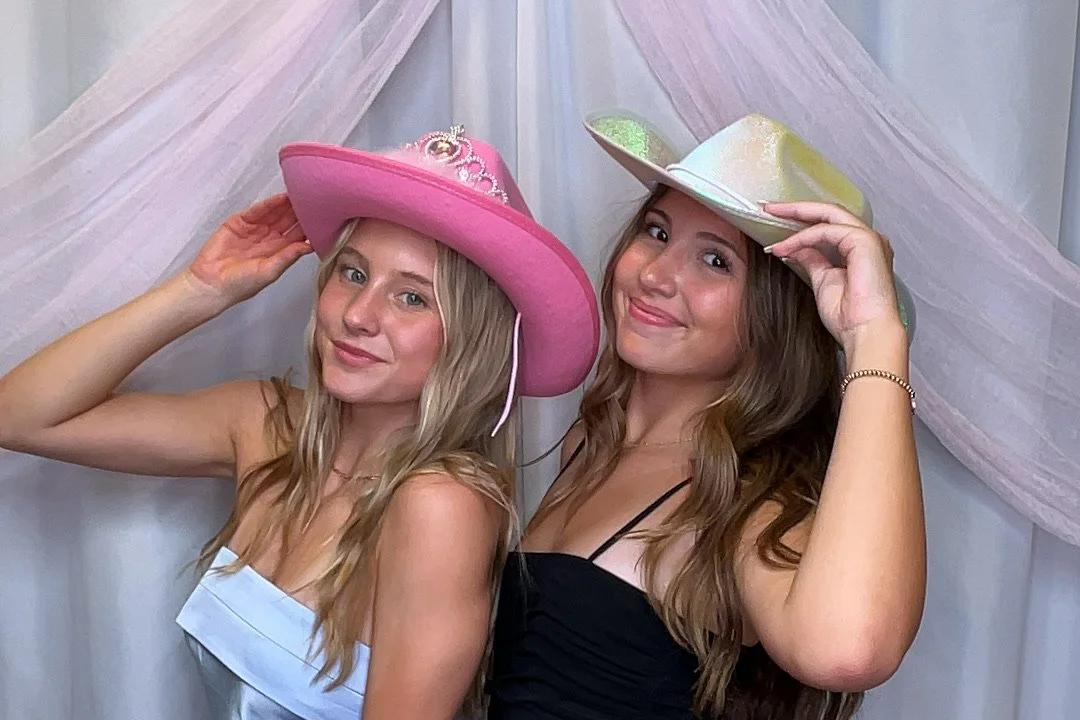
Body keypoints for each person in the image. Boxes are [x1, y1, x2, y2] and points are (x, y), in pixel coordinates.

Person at [0, 125, 599, 720]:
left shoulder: (438, 505)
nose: (360, 316)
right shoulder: (266, 425)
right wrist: (198, 290)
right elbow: (21, 416)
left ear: (471, 340)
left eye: (412, 297)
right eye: (354, 274)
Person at [487, 111, 925, 719]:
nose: (655, 275)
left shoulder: (752, 499)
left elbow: (849, 652)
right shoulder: (590, 440)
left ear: (774, 318)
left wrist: (875, 340)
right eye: (657, 232)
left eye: (716, 260)